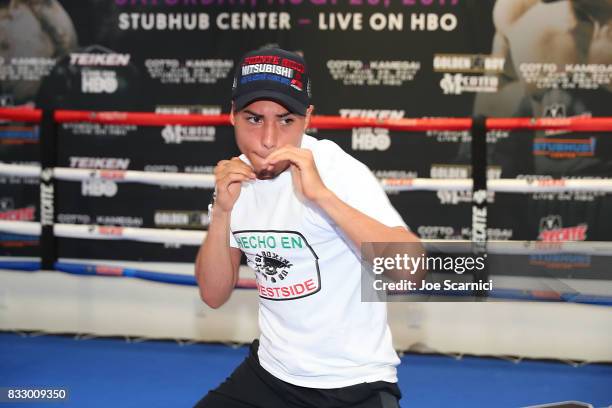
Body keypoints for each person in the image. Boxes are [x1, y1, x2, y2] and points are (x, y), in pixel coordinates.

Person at [193, 47, 422, 408]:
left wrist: (321, 197)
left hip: (353, 385)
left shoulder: (336, 170)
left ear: (308, 118)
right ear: (233, 115)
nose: (269, 140)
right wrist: (221, 213)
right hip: (270, 374)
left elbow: (410, 273)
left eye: (286, 121)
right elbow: (213, 294)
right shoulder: (235, 177)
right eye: (254, 120)